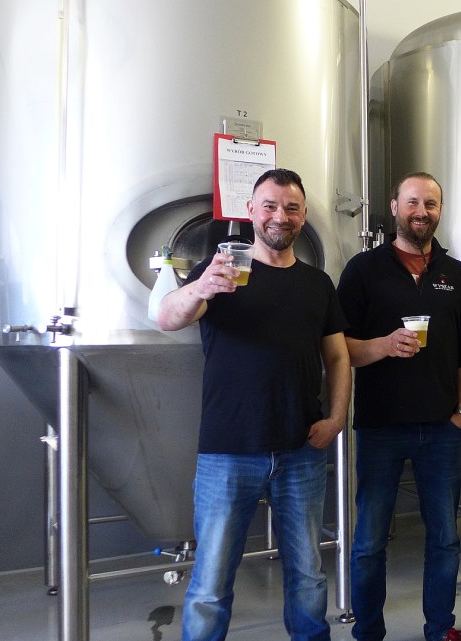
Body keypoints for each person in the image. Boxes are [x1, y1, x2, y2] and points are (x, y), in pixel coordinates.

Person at [158, 168, 351, 641]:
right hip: (228, 451)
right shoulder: (219, 270)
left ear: (303, 216)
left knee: (308, 576)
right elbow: (167, 318)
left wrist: (336, 418)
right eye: (269, 205)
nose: (279, 216)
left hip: (301, 449)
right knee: (210, 583)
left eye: (291, 207)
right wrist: (200, 287)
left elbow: (337, 356)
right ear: (250, 211)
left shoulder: (317, 284)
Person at [337, 172, 461, 641]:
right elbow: (338, 349)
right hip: (381, 427)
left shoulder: (456, 274)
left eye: (431, 204)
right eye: (413, 202)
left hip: (441, 429)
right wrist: (383, 345)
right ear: (395, 207)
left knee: (445, 539)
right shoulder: (363, 269)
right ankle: (368, 633)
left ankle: (440, 629)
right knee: (369, 542)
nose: (422, 212)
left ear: (440, 210)